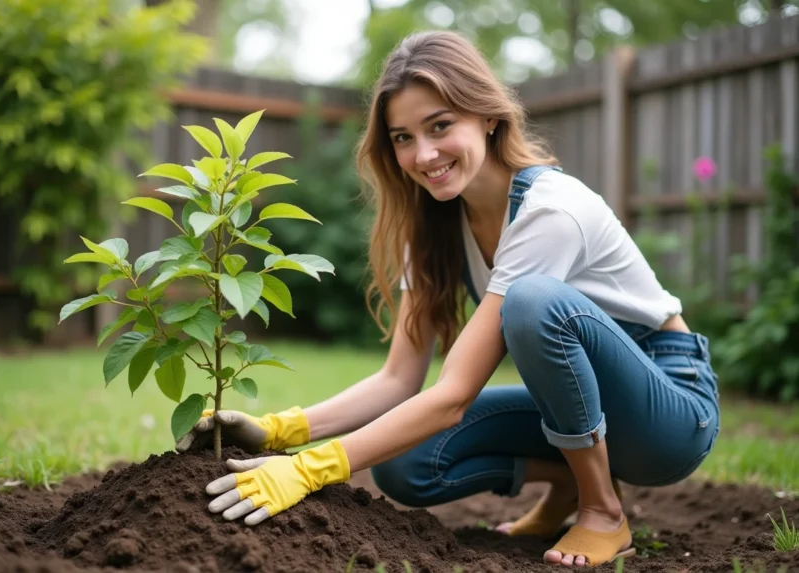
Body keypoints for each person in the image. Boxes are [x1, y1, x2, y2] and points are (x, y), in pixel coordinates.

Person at [175, 30, 720, 568]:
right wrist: (276, 430)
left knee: (532, 302)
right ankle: (572, 485)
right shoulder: (435, 223)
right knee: (405, 464)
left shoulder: (550, 210)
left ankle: (603, 511)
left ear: (487, 116)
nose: (423, 154)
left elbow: (455, 393)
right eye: (402, 137)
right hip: (581, 406)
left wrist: (308, 468)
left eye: (440, 126)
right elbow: (398, 380)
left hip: (666, 411)